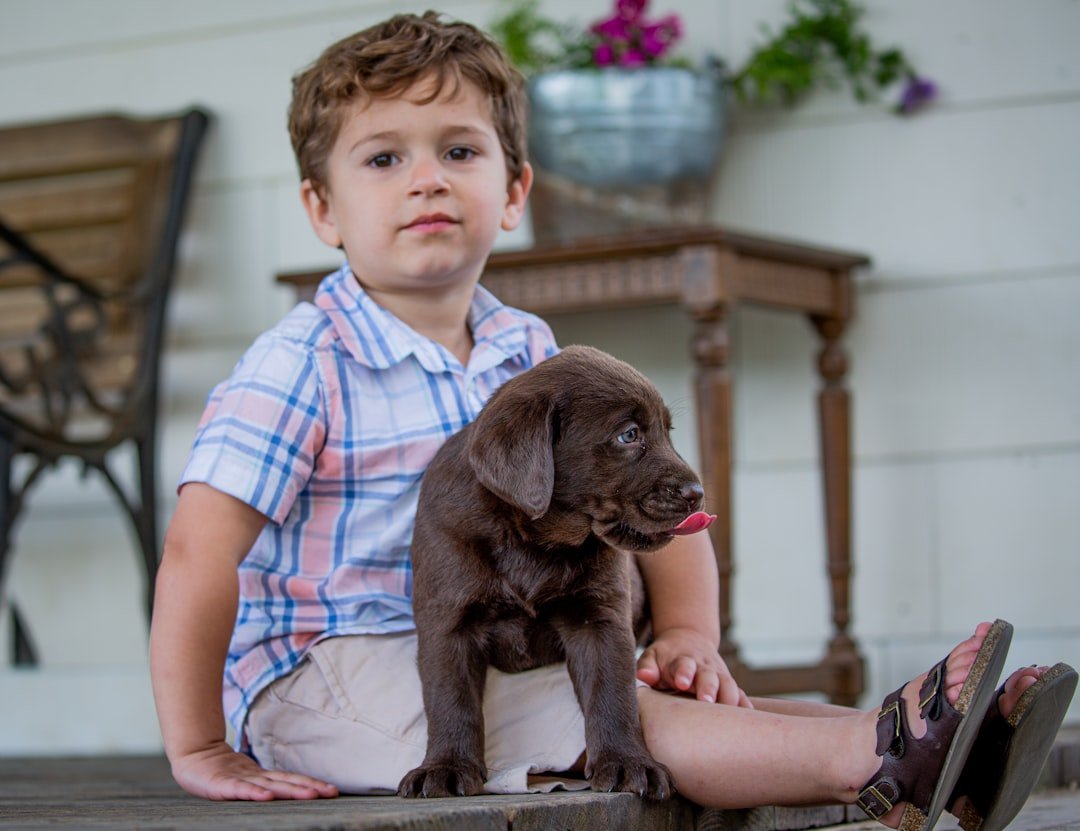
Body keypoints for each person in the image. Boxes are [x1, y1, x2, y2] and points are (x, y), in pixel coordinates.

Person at [149, 11, 1076, 831]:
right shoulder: (301, 363)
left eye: (460, 151)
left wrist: (689, 636)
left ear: (514, 192)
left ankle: (943, 749)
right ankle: (871, 762)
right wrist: (198, 741)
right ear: (322, 208)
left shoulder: (529, 349)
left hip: (507, 647)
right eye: (385, 157)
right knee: (619, 721)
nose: (425, 179)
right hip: (329, 675)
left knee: (657, 695)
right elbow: (198, 552)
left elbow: (647, 504)